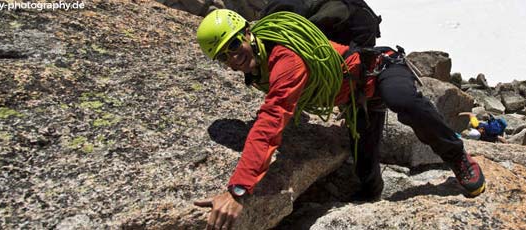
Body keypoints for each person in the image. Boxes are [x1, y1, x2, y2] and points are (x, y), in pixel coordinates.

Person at [192, 9, 486, 229]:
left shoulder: (286, 57)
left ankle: (458, 156)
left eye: (232, 45)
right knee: (366, 177)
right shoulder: (260, 62)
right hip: (357, 99)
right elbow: (284, 101)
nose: (232, 58)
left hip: (380, 70)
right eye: (222, 56)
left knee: (403, 100)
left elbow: (272, 120)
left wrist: (237, 190)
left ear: (246, 32)